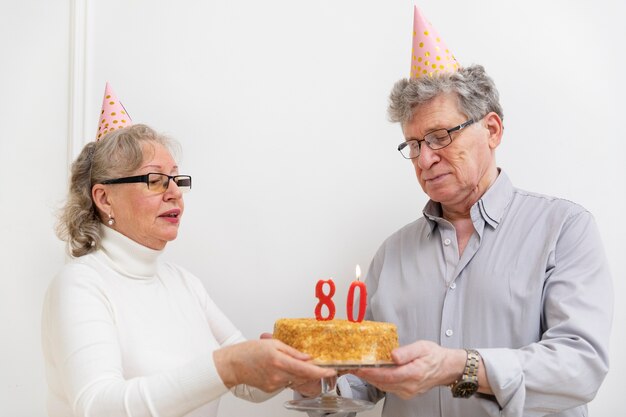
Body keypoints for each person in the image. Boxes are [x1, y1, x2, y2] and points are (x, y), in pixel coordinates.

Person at [322, 7, 613, 417]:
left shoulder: (564, 230)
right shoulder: (392, 255)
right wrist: (318, 380)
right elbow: (364, 382)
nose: (425, 159)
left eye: (440, 136)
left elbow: (581, 369)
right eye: (414, 144)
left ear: (492, 130)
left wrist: (462, 367)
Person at [42, 85, 334, 417]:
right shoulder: (80, 285)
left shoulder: (185, 284)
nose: (174, 194)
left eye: (177, 181)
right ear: (104, 198)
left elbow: (246, 384)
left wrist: (295, 369)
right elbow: (98, 406)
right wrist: (226, 366)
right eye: (155, 180)